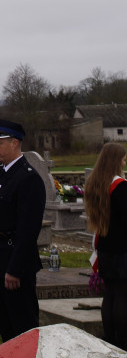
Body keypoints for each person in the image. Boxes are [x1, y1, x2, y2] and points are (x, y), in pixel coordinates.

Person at [0, 118, 45, 343]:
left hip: (13, 265)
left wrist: (15, 269)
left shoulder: (28, 178)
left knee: (22, 327)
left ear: (15, 143)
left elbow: (28, 230)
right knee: (5, 327)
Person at [84, 142, 127, 350]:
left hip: (105, 246)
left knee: (109, 294)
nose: (124, 162)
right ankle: (121, 340)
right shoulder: (119, 186)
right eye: (123, 158)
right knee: (122, 294)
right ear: (116, 160)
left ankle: (109, 337)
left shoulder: (95, 183)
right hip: (122, 248)